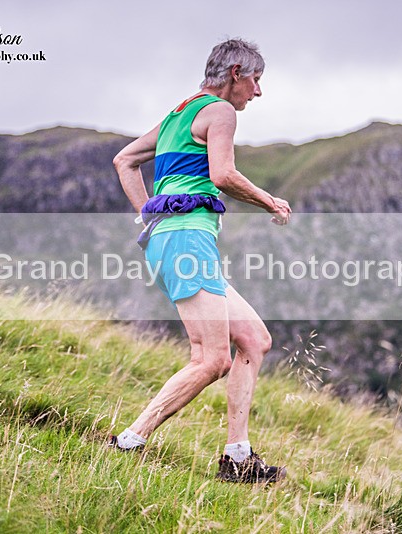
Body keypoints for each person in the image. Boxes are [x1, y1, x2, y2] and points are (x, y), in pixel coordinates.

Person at [111, 38, 292, 484]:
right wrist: (271, 202)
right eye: (256, 80)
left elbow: (125, 160)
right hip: (187, 239)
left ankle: (237, 457)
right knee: (211, 359)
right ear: (235, 73)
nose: (258, 91)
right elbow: (222, 174)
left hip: (177, 239)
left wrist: (148, 216)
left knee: (253, 339)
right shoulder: (220, 111)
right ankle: (127, 442)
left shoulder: (180, 113)